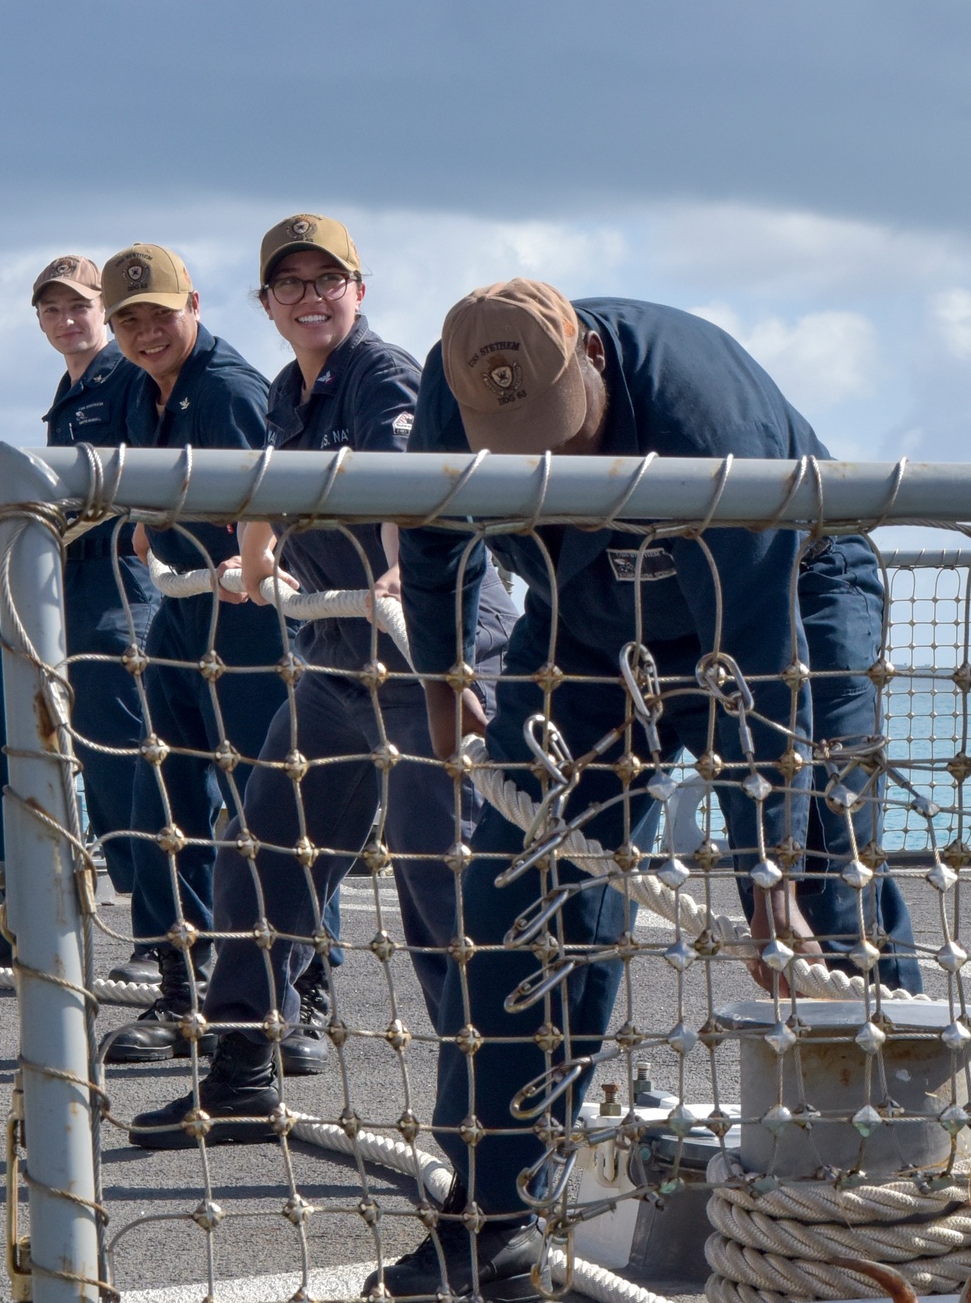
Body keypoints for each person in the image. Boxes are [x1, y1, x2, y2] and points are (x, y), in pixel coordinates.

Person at [368, 280, 921, 1298]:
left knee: (826, 874)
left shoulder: (711, 419)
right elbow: (438, 537)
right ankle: (490, 1218)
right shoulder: (456, 385)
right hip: (585, 621)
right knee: (519, 886)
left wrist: (769, 876)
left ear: (590, 357)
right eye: (517, 446)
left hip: (782, 592)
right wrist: (445, 679)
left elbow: (758, 663)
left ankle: (894, 1206)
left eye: (557, 434)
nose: (545, 462)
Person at [128, 213, 516, 1148]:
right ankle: (241, 1076)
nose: (310, 297)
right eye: (289, 284)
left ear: (359, 290)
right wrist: (252, 559)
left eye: (326, 280)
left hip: (432, 658)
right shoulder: (287, 394)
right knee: (259, 855)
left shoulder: (385, 374)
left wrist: (393, 569)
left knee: (442, 899)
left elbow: (393, 480)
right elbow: (272, 486)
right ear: (266, 304)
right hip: (340, 666)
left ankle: (492, 1131)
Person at [100, 242, 316, 1065]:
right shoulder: (142, 390)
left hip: (253, 611)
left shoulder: (228, 389)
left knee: (272, 802)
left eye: (159, 313)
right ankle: (184, 988)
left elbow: (274, 492)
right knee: (161, 789)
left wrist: (247, 553)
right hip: (184, 608)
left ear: (193, 303)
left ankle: (300, 994)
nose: (146, 332)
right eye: (130, 320)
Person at [0, 256, 159, 978]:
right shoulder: (68, 388)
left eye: (78, 307)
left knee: (122, 762)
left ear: (105, 312)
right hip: (47, 584)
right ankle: (21, 910)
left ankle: (156, 934)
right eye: (50, 310)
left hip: (114, 587)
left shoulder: (130, 380)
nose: (65, 321)